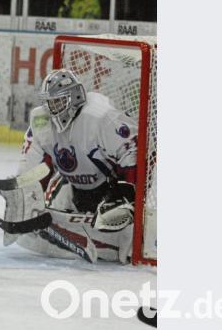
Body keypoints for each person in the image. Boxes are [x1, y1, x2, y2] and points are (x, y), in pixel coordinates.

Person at [11, 69, 138, 263]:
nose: (52, 108)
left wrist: (125, 191)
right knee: (33, 225)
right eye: (49, 102)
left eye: (58, 101)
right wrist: (24, 192)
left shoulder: (99, 116)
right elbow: (34, 164)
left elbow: (133, 151)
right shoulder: (41, 120)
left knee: (126, 240)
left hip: (110, 187)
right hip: (71, 185)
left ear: (76, 96)